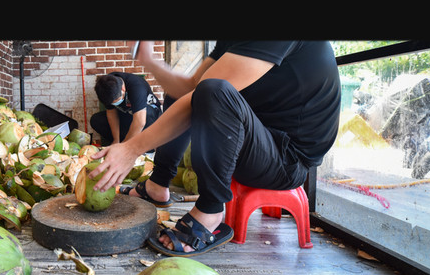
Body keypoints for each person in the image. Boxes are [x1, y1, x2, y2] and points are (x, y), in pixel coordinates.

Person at [90, 40, 341, 257]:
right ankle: (158, 185)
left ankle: (210, 210)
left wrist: (131, 149)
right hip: (255, 139)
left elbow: (208, 91)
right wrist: (150, 60)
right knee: (186, 92)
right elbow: (188, 89)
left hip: (287, 159)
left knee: (212, 90)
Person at [90, 71, 163, 146]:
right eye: (113, 103)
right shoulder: (106, 87)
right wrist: (116, 139)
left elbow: (140, 122)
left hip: (150, 119)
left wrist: (124, 146)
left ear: (123, 88)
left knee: (146, 114)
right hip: (129, 116)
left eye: (117, 100)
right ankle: (125, 142)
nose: (115, 104)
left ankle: (144, 145)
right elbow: (111, 113)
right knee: (96, 120)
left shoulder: (136, 86)